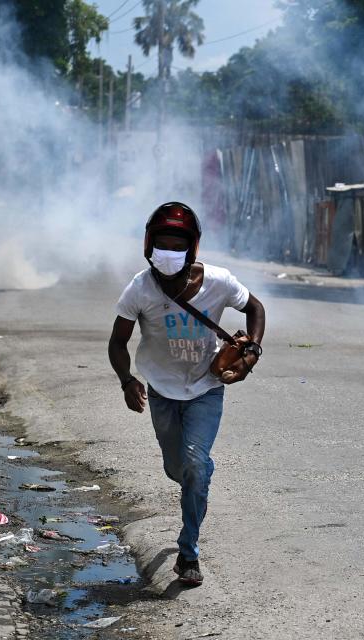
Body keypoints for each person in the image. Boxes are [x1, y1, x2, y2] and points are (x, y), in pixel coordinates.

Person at [107, 202, 266, 587]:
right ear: (148, 244)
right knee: (178, 470)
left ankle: (188, 553)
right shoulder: (139, 289)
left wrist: (253, 349)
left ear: (192, 247)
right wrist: (127, 380)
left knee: (195, 465)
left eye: (177, 244)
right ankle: (195, 476)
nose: (168, 251)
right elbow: (117, 341)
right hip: (161, 391)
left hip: (205, 389)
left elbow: (255, 307)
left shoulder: (219, 281)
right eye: (162, 242)